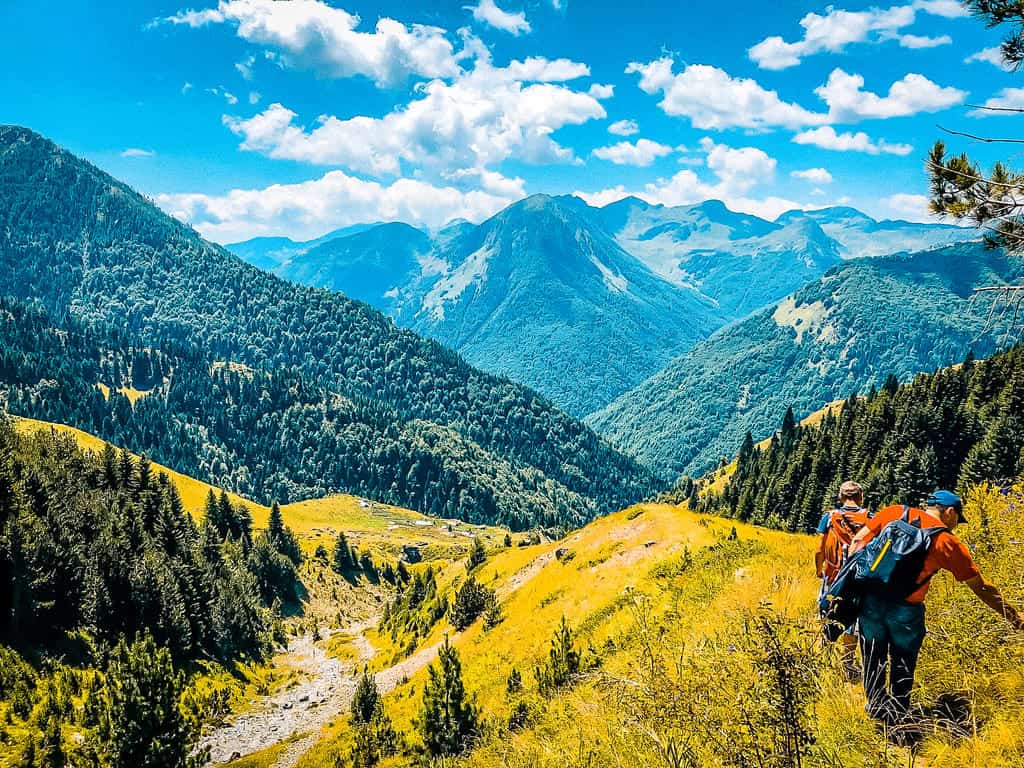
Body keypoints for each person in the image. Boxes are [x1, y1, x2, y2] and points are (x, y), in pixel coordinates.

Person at [847, 490, 1024, 724]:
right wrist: (1013, 616)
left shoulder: (893, 512)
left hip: (871, 602)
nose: (956, 526)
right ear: (950, 512)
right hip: (906, 610)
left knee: (872, 655)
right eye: (957, 520)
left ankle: (876, 713)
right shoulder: (947, 542)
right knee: (903, 660)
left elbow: (857, 543)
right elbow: (981, 588)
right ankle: (898, 716)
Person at [815, 481, 871, 681]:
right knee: (853, 620)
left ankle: (824, 653)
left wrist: (819, 569)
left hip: (833, 575)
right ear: (860, 497)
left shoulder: (830, 518)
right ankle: (847, 662)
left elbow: (819, 548)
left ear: (841, 497)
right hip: (858, 579)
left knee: (828, 612)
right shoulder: (870, 519)